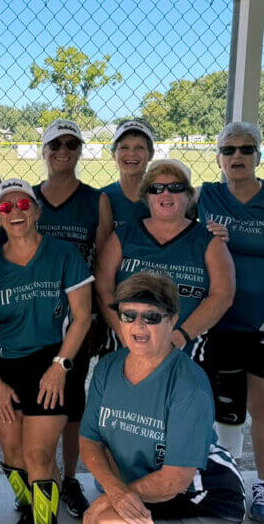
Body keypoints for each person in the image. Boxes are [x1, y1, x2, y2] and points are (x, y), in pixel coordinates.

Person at [80, 273, 260, 524]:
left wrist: (110, 500)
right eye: (129, 315)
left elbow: (176, 480)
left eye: (151, 317)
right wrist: (114, 491)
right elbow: (89, 439)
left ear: (172, 320)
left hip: (207, 499)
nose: (138, 326)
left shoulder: (188, 383)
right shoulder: (108, 367)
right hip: (150, 489)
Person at [0, 178, 93, 524]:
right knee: (12, 452)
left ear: (37, 211)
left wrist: (60, 366)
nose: (16, 212)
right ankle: (30, 511)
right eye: (6, 208)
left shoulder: (63, 254)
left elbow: (83, 316)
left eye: (24, 204)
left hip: (51, 362)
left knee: (38, 454)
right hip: (6, 366)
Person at [34, 119, 114, 519]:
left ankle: (68, 477)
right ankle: (36, 477)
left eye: (71, 144)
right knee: (34, 401)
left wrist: (97, 314)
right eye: (56, 144)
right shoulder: (29, 198)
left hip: (77, 318)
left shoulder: (96, 200)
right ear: (44, 151)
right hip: (33, 315)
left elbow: (101, 262)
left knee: (71, 401)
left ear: (80, 151)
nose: (63, 151)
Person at [96, 158, 234, 371]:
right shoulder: (124, 235)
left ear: (189, 195)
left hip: (184, 351)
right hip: (125, 349)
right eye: (156, 188)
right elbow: (102, 286)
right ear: (146, 196)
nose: (166, 194)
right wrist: (124, 333)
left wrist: (180, 337)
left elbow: (223, 294)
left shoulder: (209, 240)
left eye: (175, 187)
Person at [197, 122, 264, 518]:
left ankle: (263, 485)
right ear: (219, 157)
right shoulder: (206, 196)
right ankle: (229, 482)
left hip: (260, 323)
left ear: (258, 155)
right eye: (228, 150)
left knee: (262, 405)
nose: (237, 156)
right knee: (224, 407)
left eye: (246, 149)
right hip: (219, 320)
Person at [101, 119, 153, 229]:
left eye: (139, 147)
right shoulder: (101, 198)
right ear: (113, 154)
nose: (131, 153)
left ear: (150, 154)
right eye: (124, 147)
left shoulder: (163, 197)